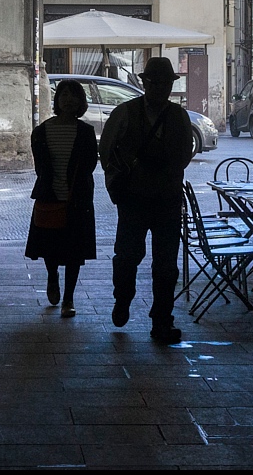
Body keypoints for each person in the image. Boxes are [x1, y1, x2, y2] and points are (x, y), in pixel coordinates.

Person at [100, 56, 194, 344]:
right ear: (144, 83)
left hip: (166, 199)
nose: (159, 88)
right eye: (154, 83)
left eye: (164, 83)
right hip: (134, 199)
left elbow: (184, 155)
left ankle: (162, 320)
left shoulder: (179, 116)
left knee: (166, 264)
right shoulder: (124, 113)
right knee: (128, 256)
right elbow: (106, 152)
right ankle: (123, 298)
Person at [24, 79, 98, 318]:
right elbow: (40, 167)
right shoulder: (42, 131)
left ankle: (69, 298)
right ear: (57, 100)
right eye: (64, 95)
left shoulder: (86, 132)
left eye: (73, 95)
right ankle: (52, 276)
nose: (68, 99)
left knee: (75, 251)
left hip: (78, 199)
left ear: (80, 102)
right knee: (50, 248)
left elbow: (89, 165)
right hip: (50, 196)